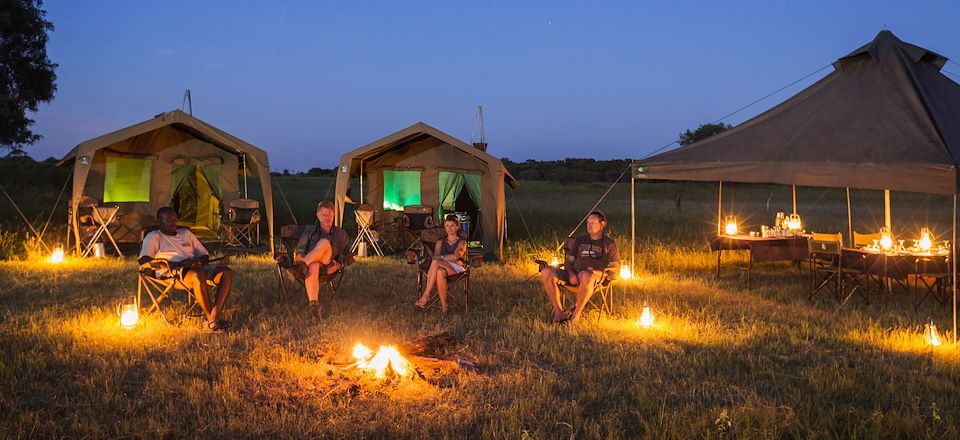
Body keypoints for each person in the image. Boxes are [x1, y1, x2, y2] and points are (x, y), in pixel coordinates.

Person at [138, 207, 234, 333]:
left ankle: (214, 317)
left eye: (174, 219)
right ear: (159, 221)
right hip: (172, 271)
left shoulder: (185, 233)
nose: (173, 223)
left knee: (226, 272)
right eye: (168, 220)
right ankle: (212, 321)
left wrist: (199, 262)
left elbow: (204, 254)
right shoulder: (154, 237)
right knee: (197, 275)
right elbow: (144, 261)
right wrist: (178, 263)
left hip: (195, 267)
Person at [539, 210, 620, 324]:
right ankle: (559, 312)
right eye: (587, 223)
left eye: (593, 222)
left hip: (594, 277)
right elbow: (569, 261)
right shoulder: (579, 240)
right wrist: (571, 274)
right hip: (573, 274)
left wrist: (597, 273)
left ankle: (575, 315)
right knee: (546, 272)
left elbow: (615, 266)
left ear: (602, 225)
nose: (589, 225)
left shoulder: (609, 244)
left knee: (586, 276)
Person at [294, 201, 351, 319]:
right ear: (318, 215)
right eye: (324, 215)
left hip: (328, 266)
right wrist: (300, 260)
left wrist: (339, 265)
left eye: (329, 215)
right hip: (310, 267)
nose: (327, 218)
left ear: (334, 215)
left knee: (324, 242)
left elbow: (346, 255)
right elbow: (299, 252)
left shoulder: (341, 234)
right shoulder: (309, 231)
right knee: (313, 265)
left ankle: (299, 268)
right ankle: (314, 308)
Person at [415, 214, 467, 313]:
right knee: (439, 271)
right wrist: (448, 259)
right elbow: (436, 258)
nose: (449, 228)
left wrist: (442, 259)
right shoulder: (440, 242)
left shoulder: (461, 242)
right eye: (447, 226)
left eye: (452, 226)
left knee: (436, 262)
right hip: (443, 267)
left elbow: (456, 256)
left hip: (457, 268)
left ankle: (426, 295)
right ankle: (444, 308)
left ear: (457, 227)